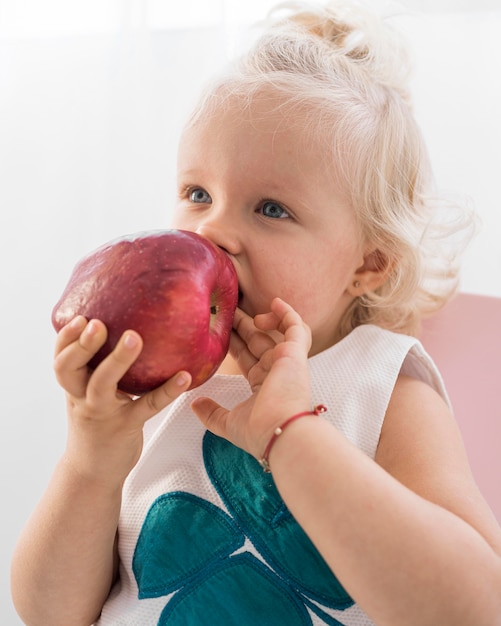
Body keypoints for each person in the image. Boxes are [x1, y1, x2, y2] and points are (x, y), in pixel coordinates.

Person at [10, 2, 501, 625]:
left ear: (367, 265)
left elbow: (475, 610)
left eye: (271, 208)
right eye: (197, 194)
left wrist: (291, 433)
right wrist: (90, 459)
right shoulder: (160, 388)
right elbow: (49, 614)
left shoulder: (378, 383)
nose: (212, 228)